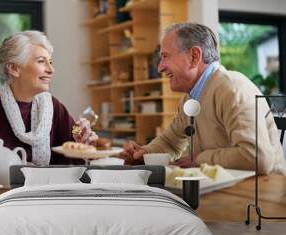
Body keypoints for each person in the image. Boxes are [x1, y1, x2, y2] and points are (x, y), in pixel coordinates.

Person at [120, 22, 286, 175]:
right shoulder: (190, 97)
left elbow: (257, 157)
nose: (160, 67)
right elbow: (170, 142)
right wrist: (144, 154)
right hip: (227, 190)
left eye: (165, 56)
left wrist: (199, 159)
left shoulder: (232, 89)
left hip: (264, 196)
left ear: (194, 56)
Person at [0, 31, 98, 175]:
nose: (51, 70)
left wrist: (84, 144)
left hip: (41, 197)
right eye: (41, 62)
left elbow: (71, 165)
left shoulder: (54, 107)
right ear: (14, 68)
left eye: (50, 62)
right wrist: (5, 167)